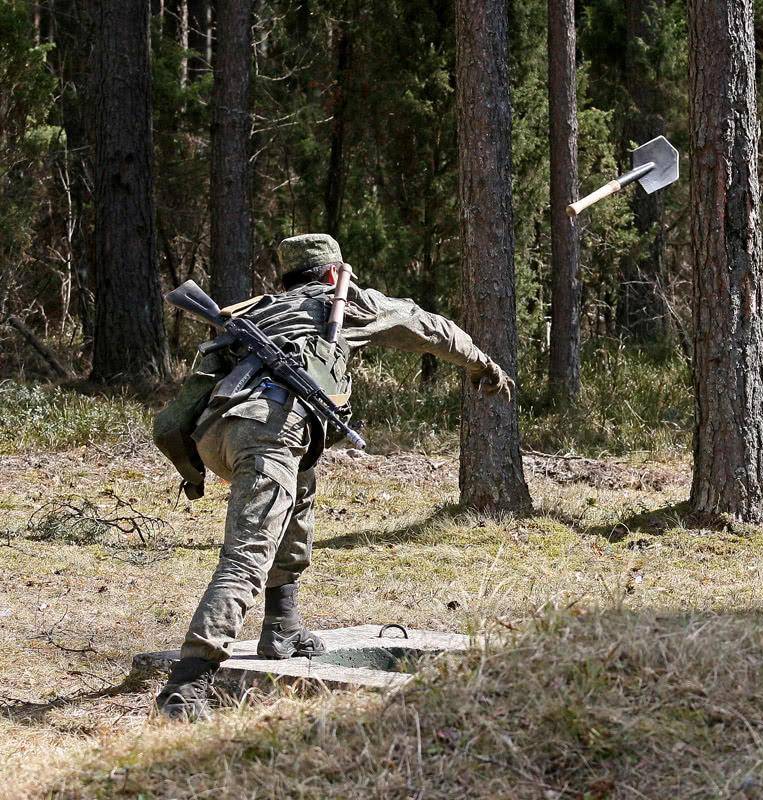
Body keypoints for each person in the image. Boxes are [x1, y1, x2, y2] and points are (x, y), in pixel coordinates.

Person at [151, 233, 514, 720]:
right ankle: (187, 683)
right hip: (269, 432)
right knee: (246, 557)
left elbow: (179, 410)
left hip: (219, 434)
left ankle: (282, 625)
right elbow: (426, 327)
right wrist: (482, 364)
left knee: (298, 501)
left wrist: (193, 469)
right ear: (331, 273)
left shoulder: (255, 314)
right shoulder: (340, 302)